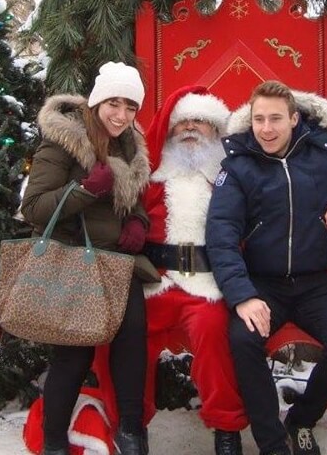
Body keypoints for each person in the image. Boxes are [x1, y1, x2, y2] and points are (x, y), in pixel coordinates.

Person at [206, 80, 327, 455]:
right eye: (259, 119)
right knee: (243, 340)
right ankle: (272, 443)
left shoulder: (323, 152)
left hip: (313, 282)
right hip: (262, 284)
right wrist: (242, 297)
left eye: (276, 119)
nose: (266, 129)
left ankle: (302, 419)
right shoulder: (239, 165)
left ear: (294, 119)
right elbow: (221, 235)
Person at [20, 61, 151, 455]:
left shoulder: (129, 144)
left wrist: (139, 222)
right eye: (114, 103)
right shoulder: (63, 141)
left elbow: (136, 199)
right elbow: (34, 207)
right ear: (96, 102)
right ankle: (54, 442)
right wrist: (85, 189)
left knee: (132, 346)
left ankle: (132, 432)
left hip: (116, 263)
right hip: (74, 263)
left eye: (130, 107)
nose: (121, 115)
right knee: (74, 356)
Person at [141, 86, 248, 455]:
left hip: (207, 284)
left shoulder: (229, 179)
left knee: (214, 331)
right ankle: (130, 422)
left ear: (216, 130)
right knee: (127, 336)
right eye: (182, 122)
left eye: (199, 121)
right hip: (156, 282)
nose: (189, 128)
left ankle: (226, 428)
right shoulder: (151, 177)